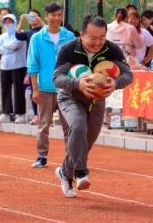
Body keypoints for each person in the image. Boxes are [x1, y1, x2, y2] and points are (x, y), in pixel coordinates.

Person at [52, 15, 133, 198]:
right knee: (78, 126)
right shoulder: (69, 49)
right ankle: (80, 172)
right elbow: (57, 78)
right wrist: (77, 84)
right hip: (70, 96)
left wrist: (116, 83)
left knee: (87, 141)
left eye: (102, 37)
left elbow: (128, 75)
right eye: (93, 38)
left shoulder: (111, 49)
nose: (98, 42)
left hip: (97, 99)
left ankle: (65, 172)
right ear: (82, 35)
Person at [26, 2, 75, 168]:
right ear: (46, 17)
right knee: (44, 123)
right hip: (45, 87)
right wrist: (35, 89)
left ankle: (72, 156)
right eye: (53, 15)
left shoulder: (69, 36)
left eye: (59, 15)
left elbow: (76, 61)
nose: (56, 18)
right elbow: (32, 65)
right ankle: (41, 156)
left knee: (69, 124)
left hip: (66, 87)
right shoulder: (37, 38)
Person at [0, 13, 29, 122]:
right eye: (6, 22)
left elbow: (16, 44)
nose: (8, 24)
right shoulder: (2, 36)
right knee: (5, 90)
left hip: (19, 66)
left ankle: (20, 114)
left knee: (19, 90)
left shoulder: (21, 33)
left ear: (15, 22)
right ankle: (6, 112)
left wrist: (5, 48)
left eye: (10, 21)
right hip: (4, 66)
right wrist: (8, 48)